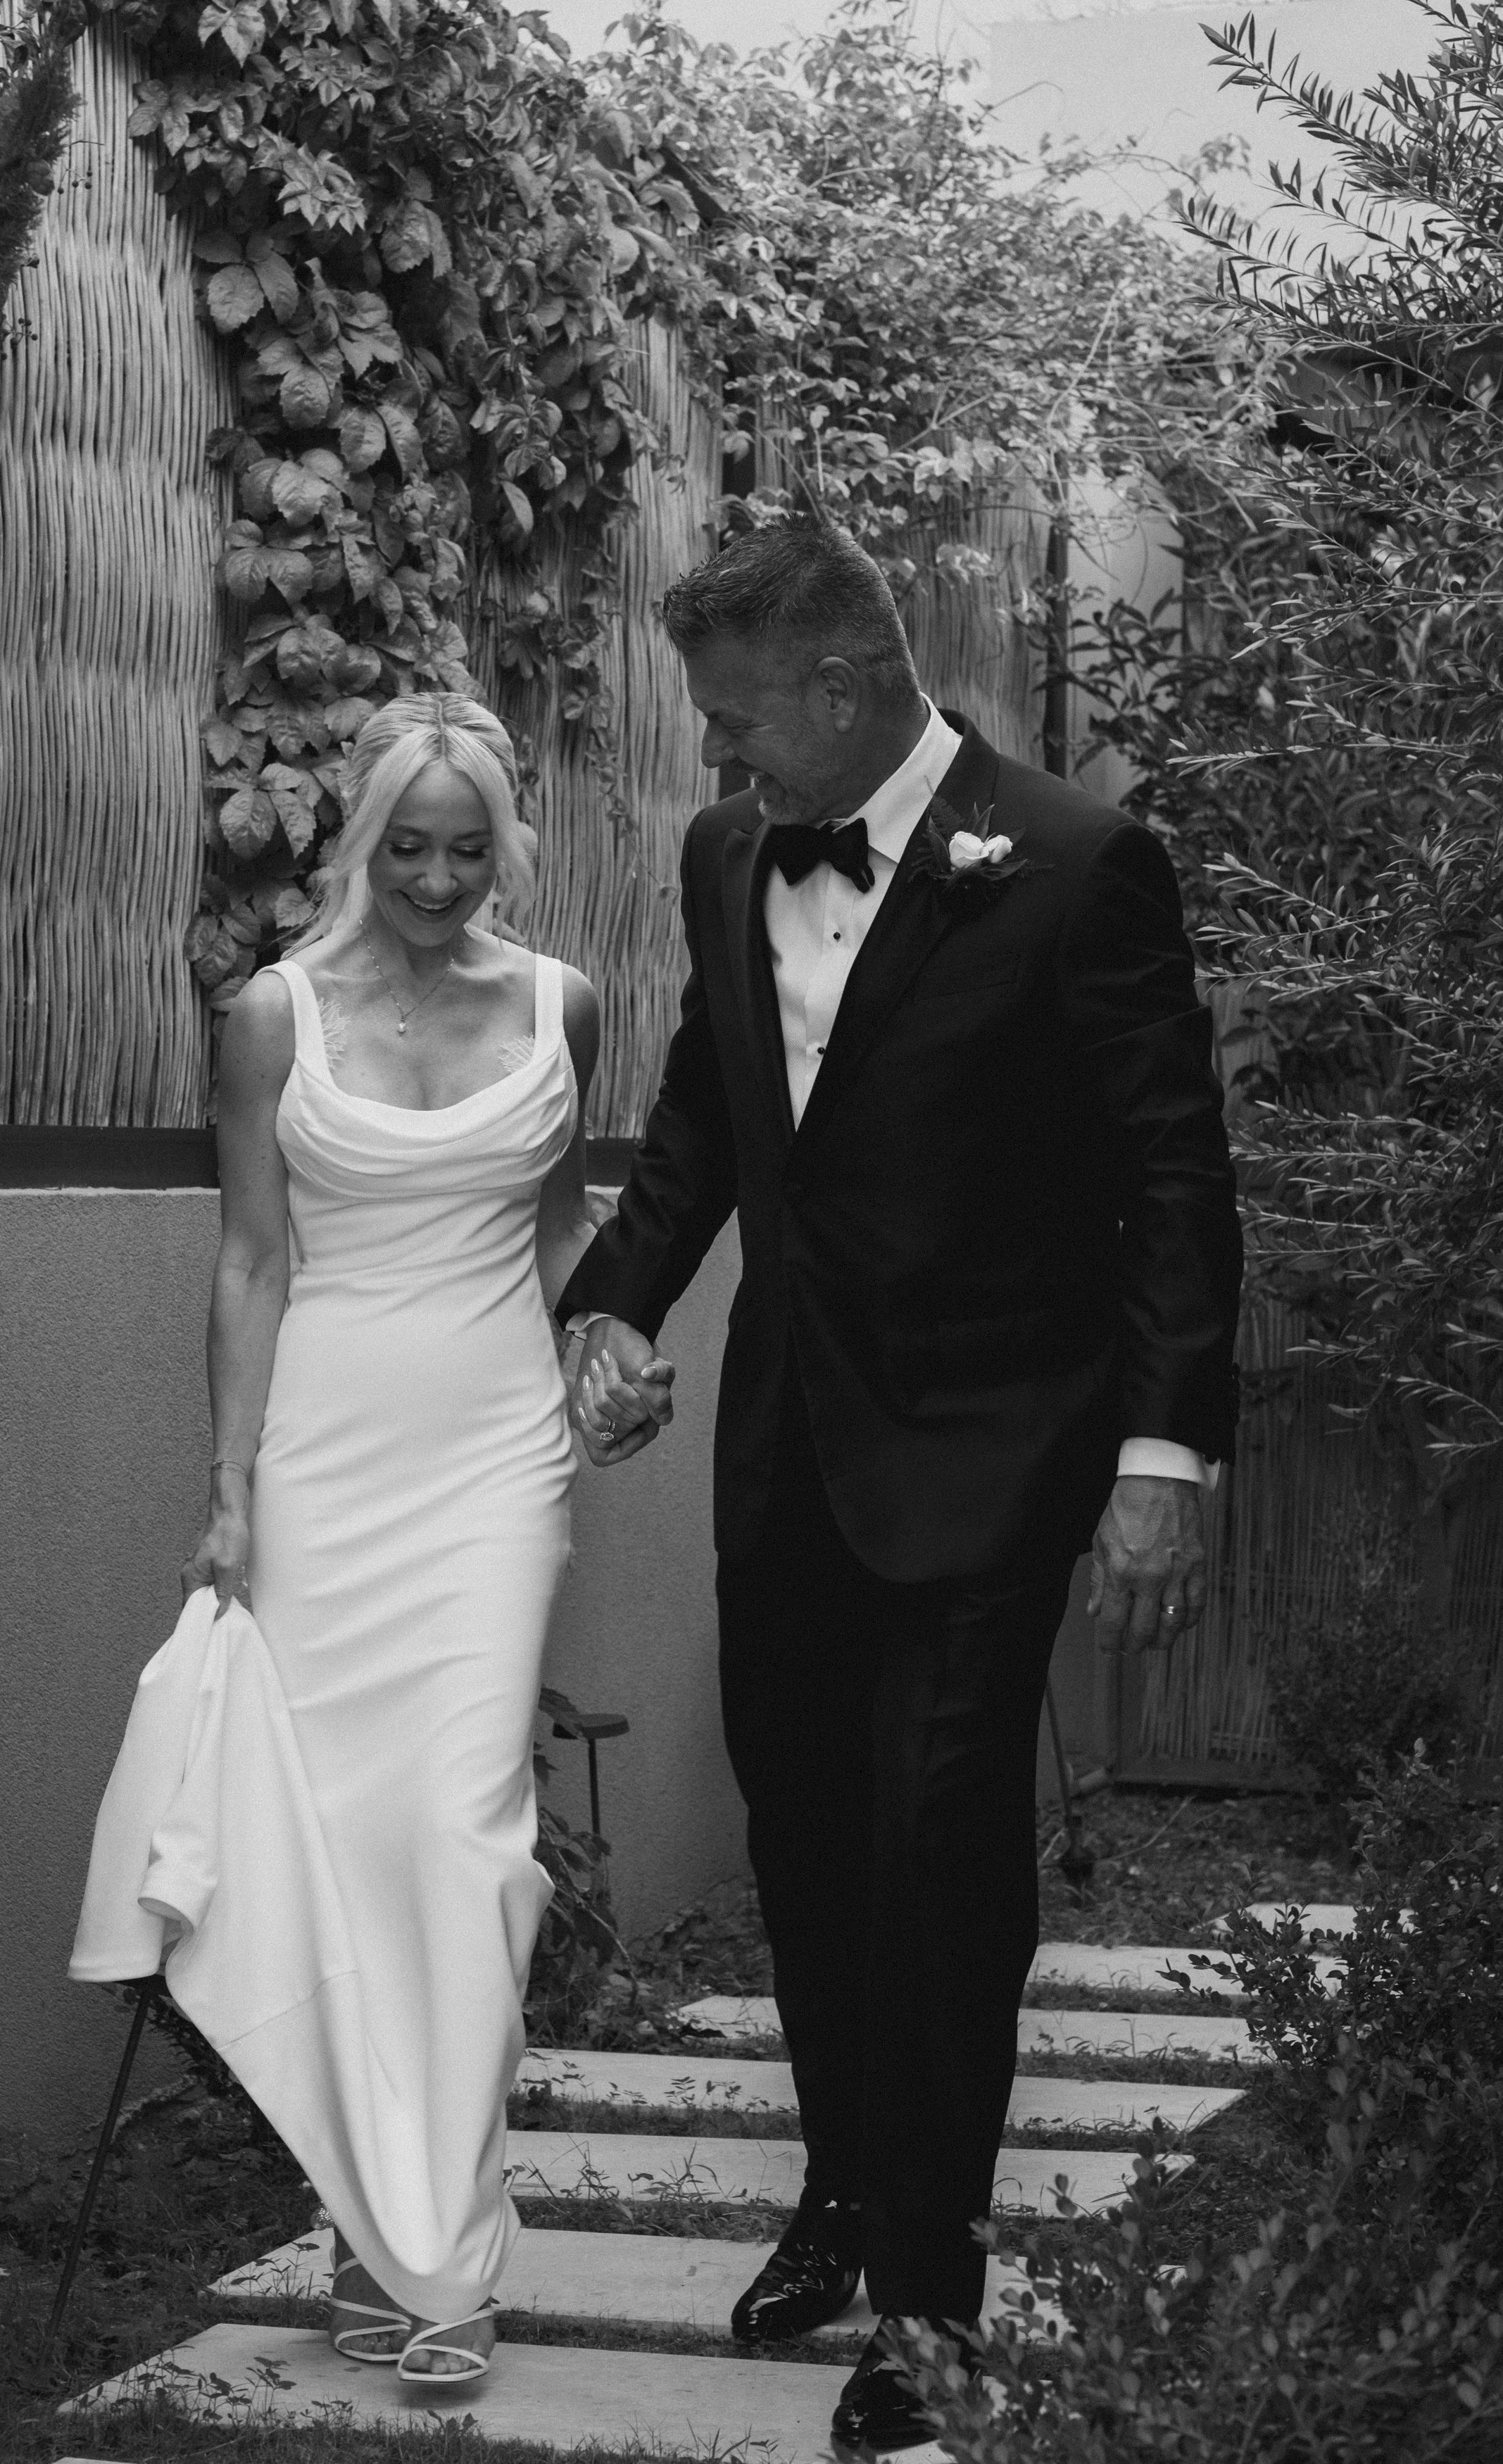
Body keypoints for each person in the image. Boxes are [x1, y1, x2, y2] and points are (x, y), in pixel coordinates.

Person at [560, 519, 1242, 2451]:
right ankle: (845, 2185)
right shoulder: (722, 860)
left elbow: (1171, 1177)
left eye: (734, 718)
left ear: (848, 689)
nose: (713, 759)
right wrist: (614, 1303)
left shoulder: (1080, 867)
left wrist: (1161, 1449)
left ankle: (931, 2308)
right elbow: (710, 1108)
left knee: (938, 1854)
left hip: (997, 1439)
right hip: (785, 1439)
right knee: (800, 1828)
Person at [70, 691, 607, 2386]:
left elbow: (558, 1229)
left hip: (497, 1460)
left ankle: (438, 2255)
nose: (442, 877)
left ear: (503, 844)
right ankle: (386, 2237)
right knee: (338, 1851)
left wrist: (606, 1365)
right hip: (321, 1460)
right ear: (360, 841)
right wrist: (228, 1487)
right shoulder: (269, 1018)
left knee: (462, 1837)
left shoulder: (561, 1005)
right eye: (412, 846)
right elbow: (250, 1261)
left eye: (470, 847)